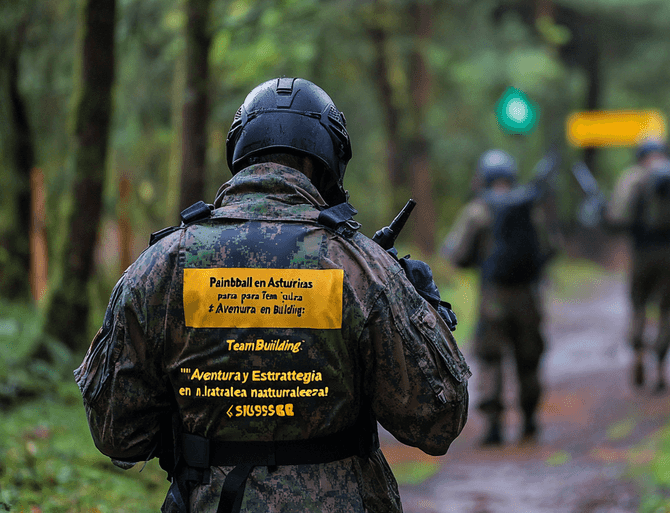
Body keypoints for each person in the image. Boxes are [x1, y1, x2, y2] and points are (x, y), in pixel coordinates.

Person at [74, 77, 470, 513]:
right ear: (329, 159)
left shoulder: (160, 266)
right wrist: (428, 310)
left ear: (240, 154)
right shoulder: (364, 268)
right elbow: (438, 421)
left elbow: (118, 435)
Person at [441, 149, 557, 447]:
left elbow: (458, 255)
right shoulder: (529, 207)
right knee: (529, 359)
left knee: (491, 360)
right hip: (528, 296)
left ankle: (494, 426)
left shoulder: (478, 210)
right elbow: (550, 247)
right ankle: (529, 418)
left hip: (493, 296)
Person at [605, 138, 670, 393]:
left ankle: (638, 353)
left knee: (638, 305)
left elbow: (617, 216)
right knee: (666, 309)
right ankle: (661, 368)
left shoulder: (634, 177)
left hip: (641, 252)